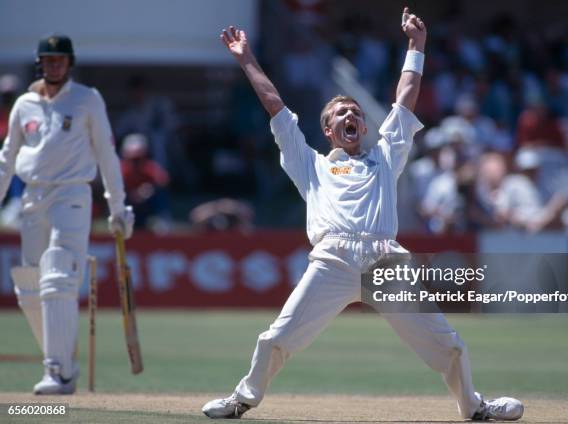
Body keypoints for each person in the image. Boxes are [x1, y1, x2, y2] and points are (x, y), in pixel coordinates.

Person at [202, 8, 523, 422]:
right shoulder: (310, 163)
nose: (350, 116)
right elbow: (276, 106)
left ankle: (475, 408)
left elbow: (405, 95)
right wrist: (247, 59)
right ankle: (241, 401)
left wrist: (416, 45)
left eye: (355, 112)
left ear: (365, 128)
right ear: (328, 130)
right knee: (276, 338)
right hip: (332, 260)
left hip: (385, 259)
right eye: (340, 114)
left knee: (449, 346)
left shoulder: (386, 156)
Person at [0, 34, 134, 395]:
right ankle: (64, 363)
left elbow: (106, 153)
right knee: (30, 285)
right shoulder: (24, 105)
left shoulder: (87, 100)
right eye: (49, 60)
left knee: (57, 273)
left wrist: (118, 205)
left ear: (70, 64)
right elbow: (6, 160)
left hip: (72, 194)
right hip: (32, 197)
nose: (55, 65)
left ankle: (56, 371)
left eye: (61, 60)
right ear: (39, 63)